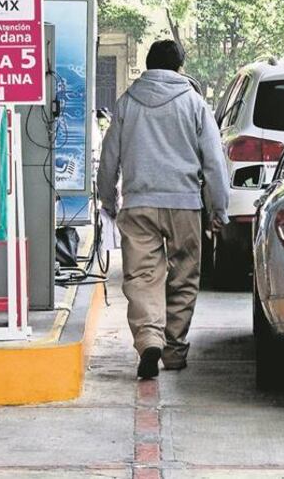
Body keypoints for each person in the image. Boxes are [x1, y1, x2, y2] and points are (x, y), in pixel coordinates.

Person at [98, 40, 229, 379]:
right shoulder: (195, 103)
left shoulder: (127, 102)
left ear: (148, 65)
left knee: (142, 277)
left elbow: (109, 156)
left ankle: (148, 339)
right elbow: (214, 162)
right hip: (185, 204)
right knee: (184, 276)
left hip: (138, 204)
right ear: (180, 68)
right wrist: (218, 209)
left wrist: (108, 199)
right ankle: (173, 349)